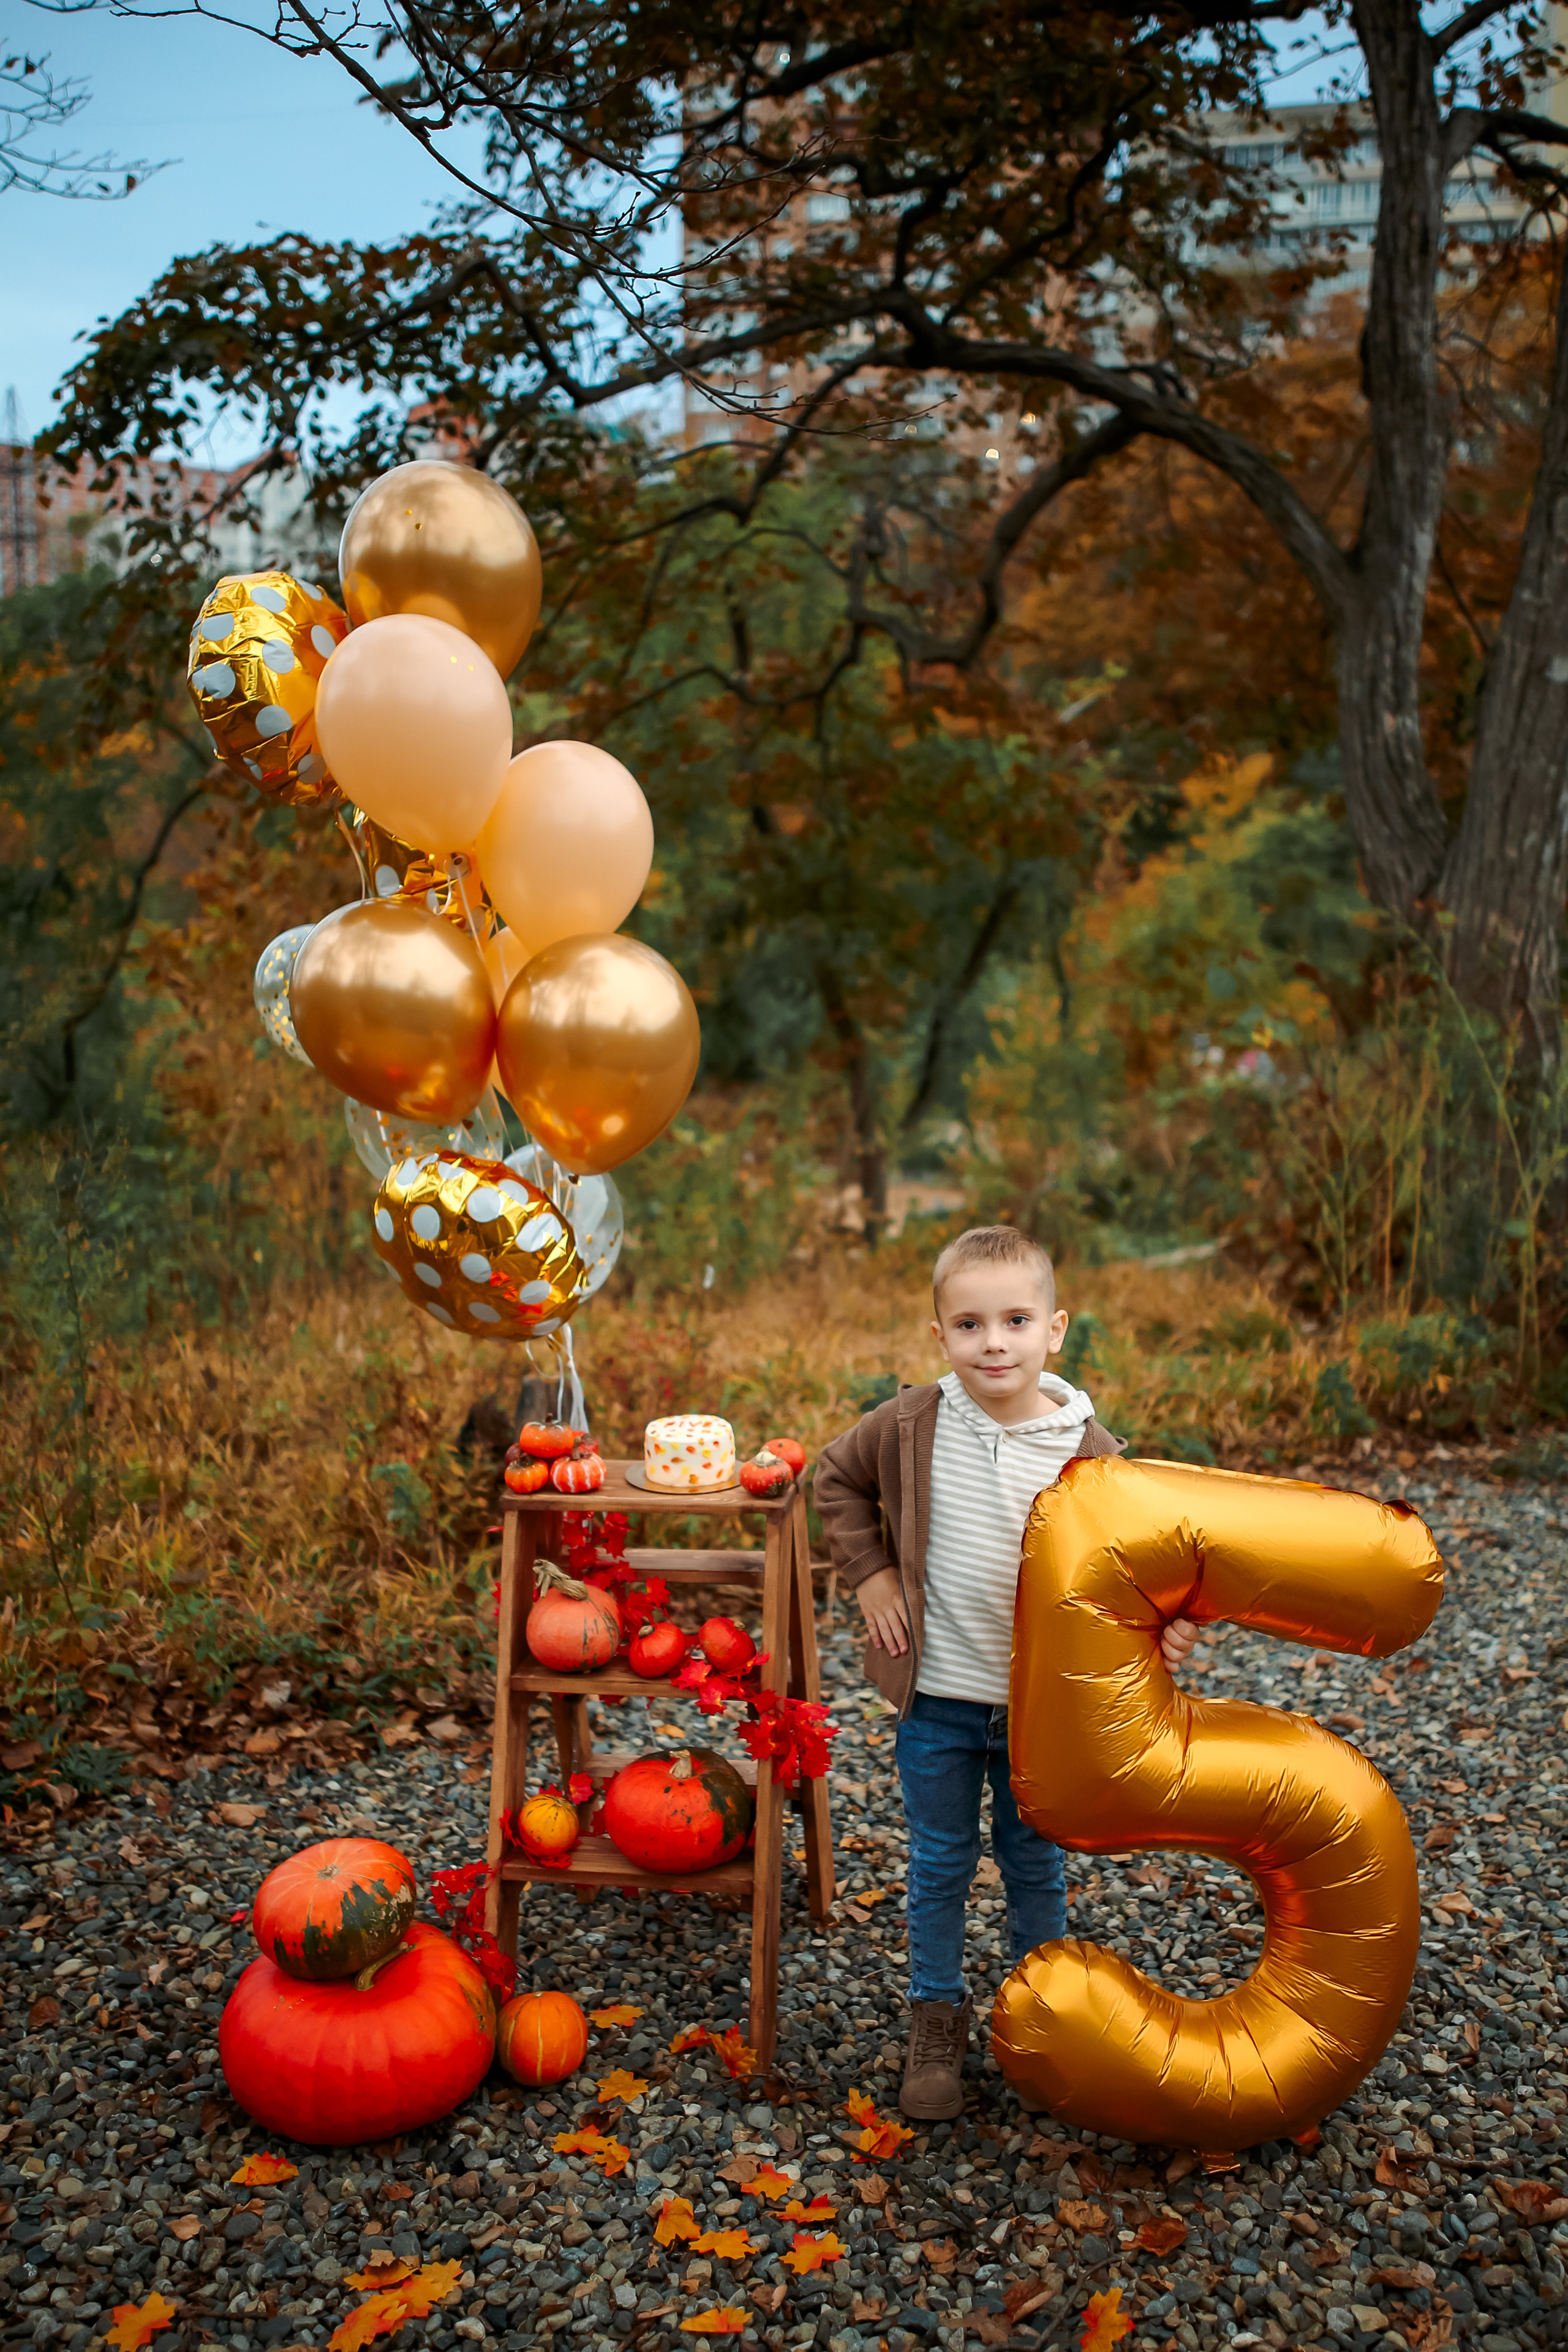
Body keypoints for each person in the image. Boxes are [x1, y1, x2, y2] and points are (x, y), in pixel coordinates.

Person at [813, 1224, 1204, 2120]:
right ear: (940, 1335)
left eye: (1016, 1321)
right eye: (970, 1324)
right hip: (940, 1701)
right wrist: (872, 1575)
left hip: (1042, 1713)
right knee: (940, 1861)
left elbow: (1151, 1563)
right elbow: (835, 1478)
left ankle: (1045, 2018)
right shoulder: (912, 1424)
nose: (994, 1343)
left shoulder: (1092, 1453)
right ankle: (936, 2016)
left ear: (1055, 1330)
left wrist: (1168, 1627)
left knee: (1034, 1861)